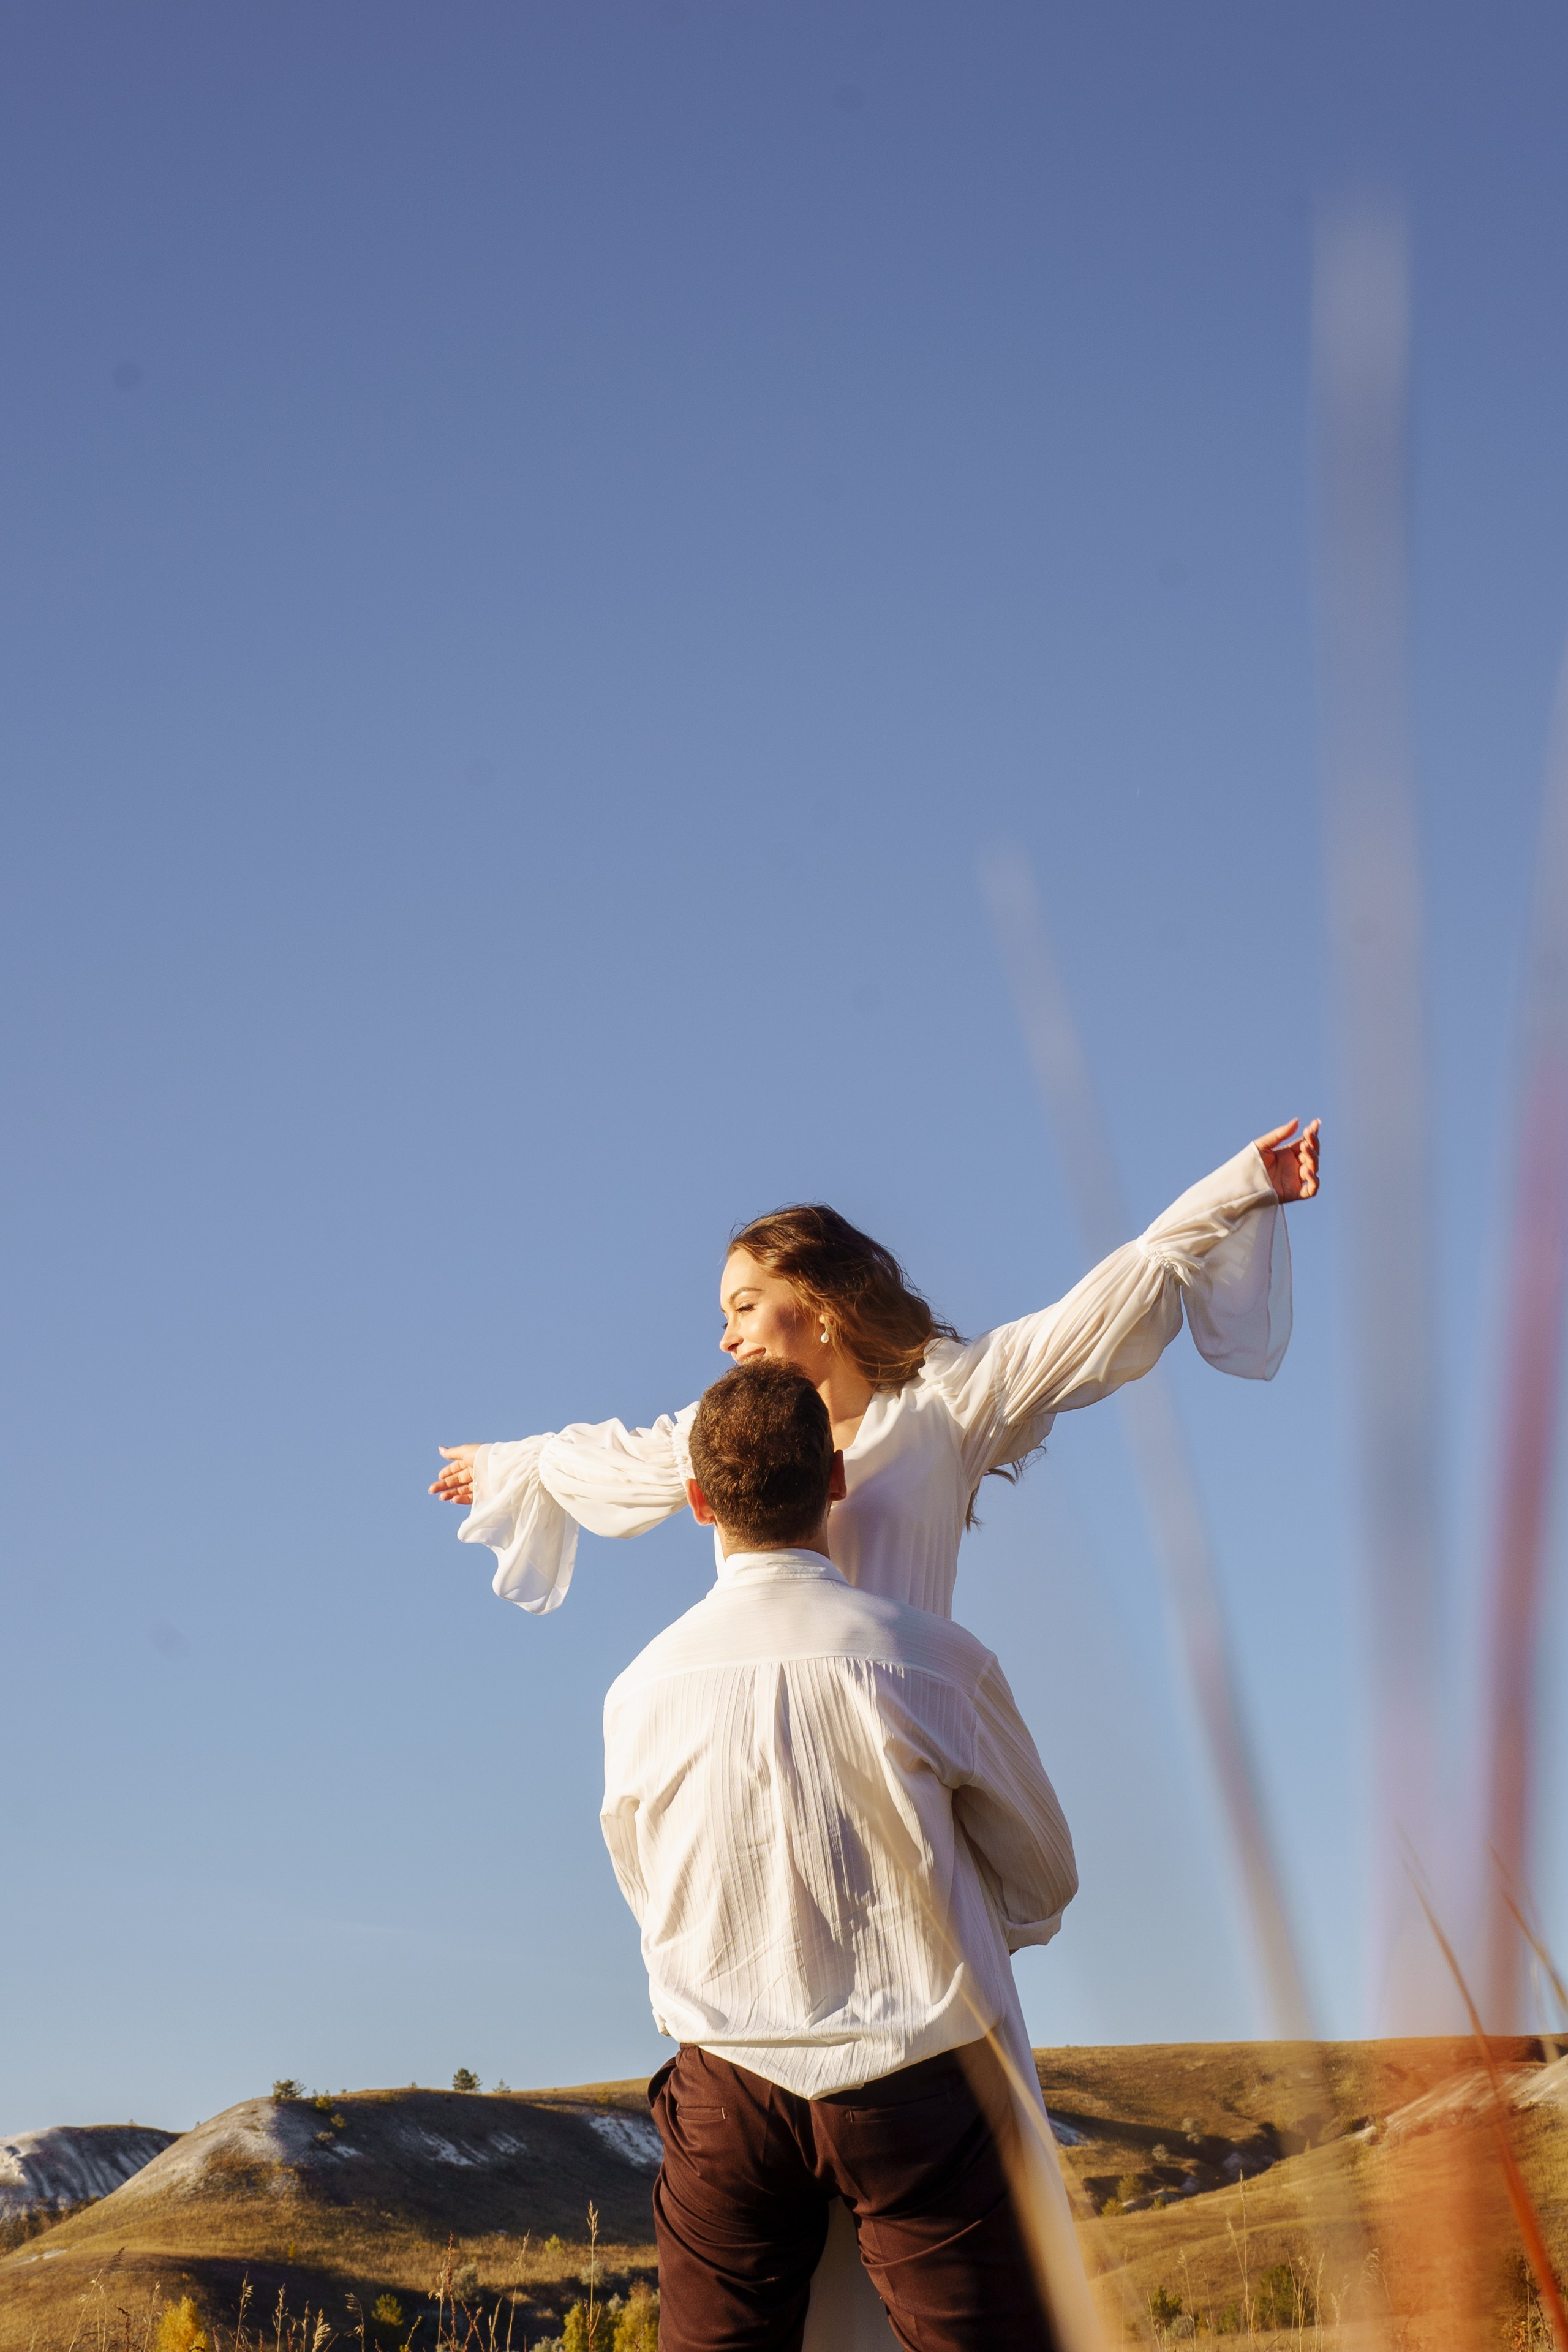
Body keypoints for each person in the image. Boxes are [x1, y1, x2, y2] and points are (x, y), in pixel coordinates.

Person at [433, 1117, 1319, 2343]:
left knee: (945, 2243)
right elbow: (619, 1461)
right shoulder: (730, 1432)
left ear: (823, 1308)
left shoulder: (941, 1407)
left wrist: (1235, 1190)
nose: (725, 1329)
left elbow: (1093, 1309)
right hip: (774, 1861)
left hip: (915, 1838)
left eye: (745, 1301)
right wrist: (509, 1462)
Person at [601, 1360, 1077, 2352]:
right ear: (836, 1479)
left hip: (725, 2091)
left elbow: (649, 1893)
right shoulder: (933, 1658)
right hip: (912, 2086)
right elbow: (1043, 1874)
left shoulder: (637, 1692)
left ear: (696, 1503)